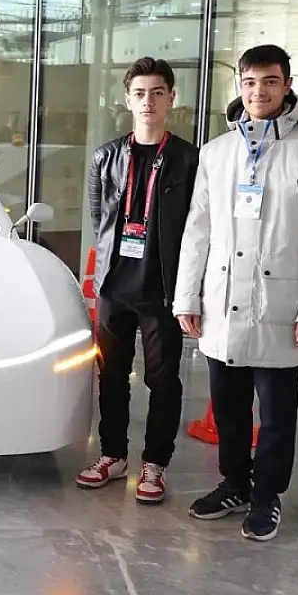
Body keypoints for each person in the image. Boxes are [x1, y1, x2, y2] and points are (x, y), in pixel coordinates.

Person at [173, 44, 298, 542]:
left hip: (281, 305)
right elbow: (197, 229)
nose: (258, 91)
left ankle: (267, 493)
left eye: (270, 81)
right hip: (222, 302)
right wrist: (187, 296)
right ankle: (235, 483)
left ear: (287, 85)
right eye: (249, 82)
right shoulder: (216, 152)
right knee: (228, 407)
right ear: (239, 86)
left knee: (276, 414)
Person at [77, 57, 199, 504]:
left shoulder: (189, 159)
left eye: (157, 93)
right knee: (110, 375)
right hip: (114, 286)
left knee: (162, 379)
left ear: (171, 98)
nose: (149, 101)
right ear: (127, 99)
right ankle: (112, 455)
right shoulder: (105, 157)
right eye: (140, 93)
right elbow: (100, 219)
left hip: (161, 289)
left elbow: (197, 227)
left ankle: (155, 462)